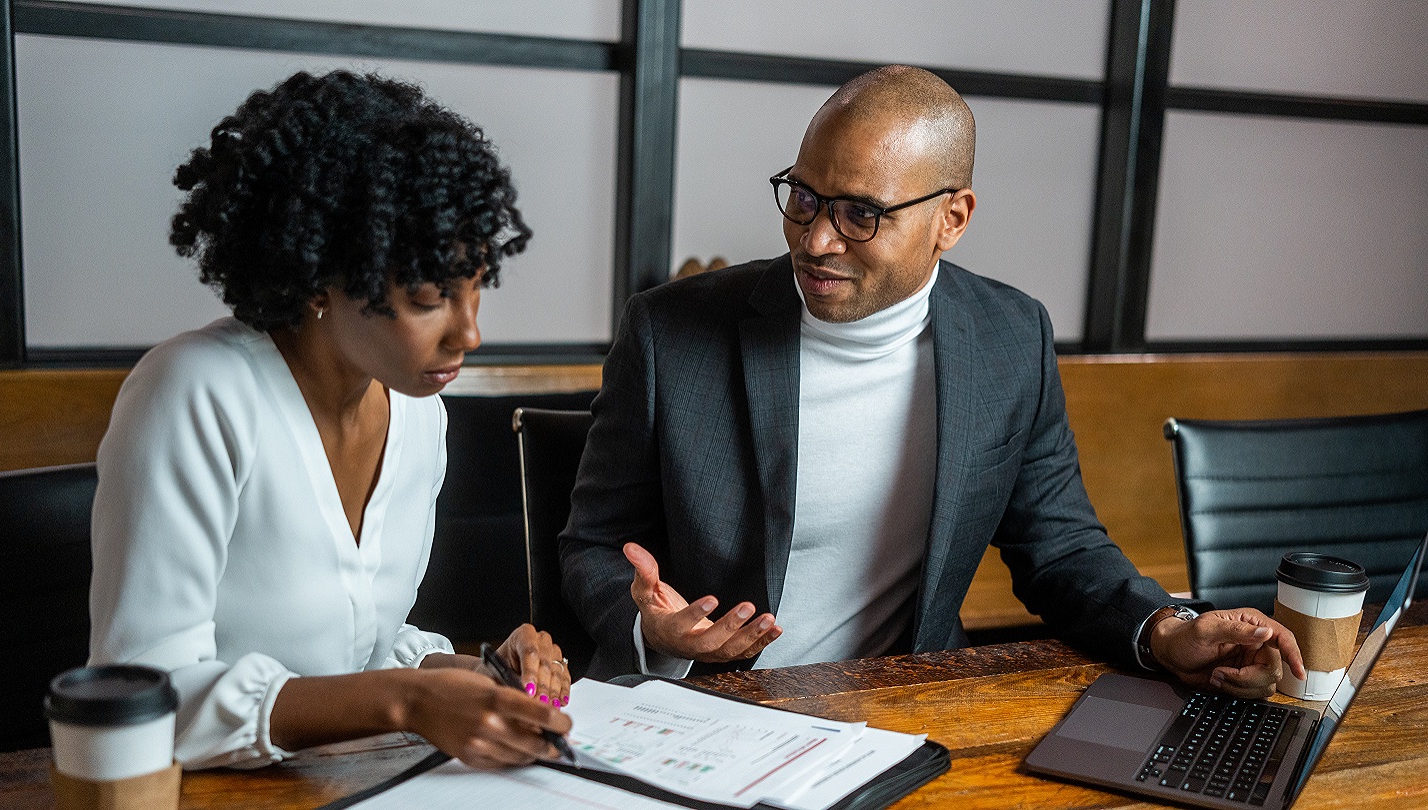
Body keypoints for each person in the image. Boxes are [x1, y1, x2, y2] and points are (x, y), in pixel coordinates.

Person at [559, 65, 1305, 698]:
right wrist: (649, 628)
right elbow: (591, 542)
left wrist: (1166, 631)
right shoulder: (670, 333)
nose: (816, 239)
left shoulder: (1008, 339)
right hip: (708, 709)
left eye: (861, 214)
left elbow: (1060, 547)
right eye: (805, 196)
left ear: (952, 219)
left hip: (908, 706)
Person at [89, 71, 571, 770]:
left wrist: (475, 673)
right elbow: (143, 698)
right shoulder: (196, 392)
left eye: (477, 289)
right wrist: (408, 702)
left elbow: (362, 651)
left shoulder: (418, 416)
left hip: (347, 783)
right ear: (319, 278)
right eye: (431, 297)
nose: (468, 334)